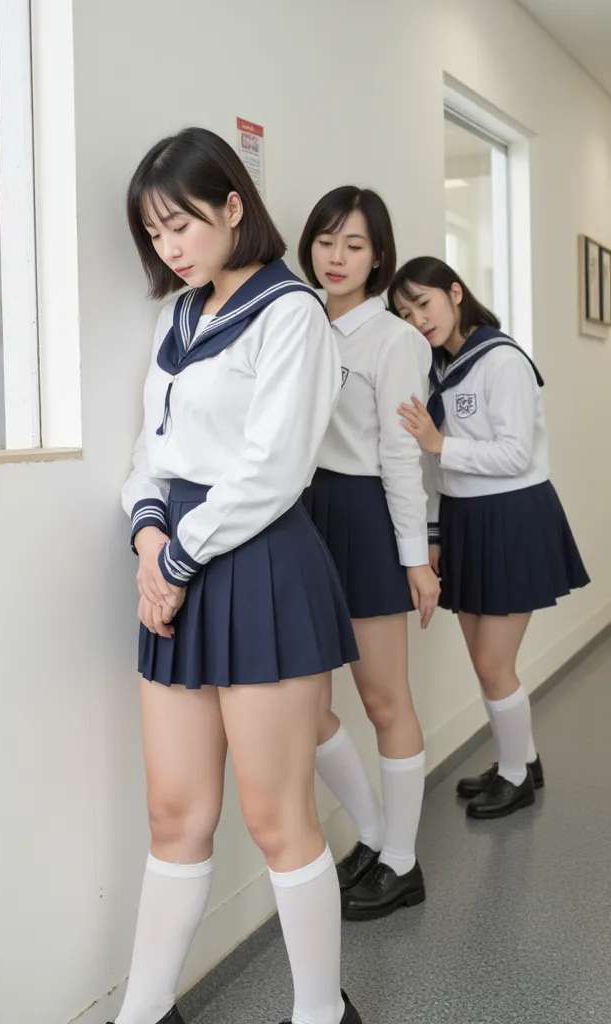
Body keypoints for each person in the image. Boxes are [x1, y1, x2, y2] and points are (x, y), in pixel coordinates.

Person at [112, 128, 362, 1024]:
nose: (168, 247)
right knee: (175, 812)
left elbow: (274, 467)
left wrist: (176, 557)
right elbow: (152, 449)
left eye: (180, 223)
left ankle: (318, 1013)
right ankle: (142, 1011)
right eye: (153, 232)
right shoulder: (173, 319)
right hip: (172, 562)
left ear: (231, 207)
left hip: (255, 560)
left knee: (275, 818)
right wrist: (148, 541)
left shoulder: (292, 310)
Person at [389, 256, 590, 819]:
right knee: (485, 662)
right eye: (404, 314)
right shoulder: (438, 368)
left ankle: (514, 776)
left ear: (455, 293)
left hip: (513, 517)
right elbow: (433, 469)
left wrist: (439, 444)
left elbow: (514, 453)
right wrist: (432, 535)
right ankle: (521, 759)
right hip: (465, 521)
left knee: (493, 665)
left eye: (423, 304)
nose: (417, 320)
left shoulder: (501, 360)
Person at [298, 188, 439, 922]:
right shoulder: (297, 322)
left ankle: (404, 863)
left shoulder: (397, 340)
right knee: (308, 705)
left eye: (353, 245)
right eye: (326, 240)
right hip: (298, 516)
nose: (336, 257)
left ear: (377, 256)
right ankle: (379, 836)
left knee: (385, 700)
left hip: (362, 515)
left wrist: (415, 557)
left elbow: (398, 457)